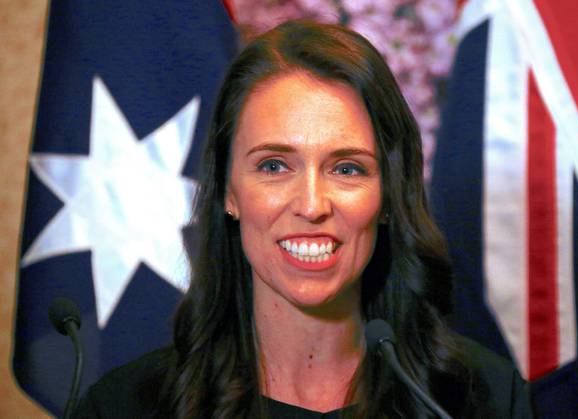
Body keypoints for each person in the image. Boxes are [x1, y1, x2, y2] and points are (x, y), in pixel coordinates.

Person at [74, 20, 532, 418]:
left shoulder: (483, 399)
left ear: (389, 196)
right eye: (274, 166)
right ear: (230, 191)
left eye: (346, 168)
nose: (312, 205)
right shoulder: (125, 407)